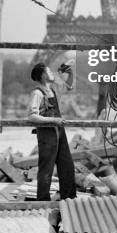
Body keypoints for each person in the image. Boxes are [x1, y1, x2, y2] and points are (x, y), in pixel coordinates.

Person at [27, 62, 76, 201]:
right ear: (43, 75)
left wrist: (70, 73)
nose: (52, 73)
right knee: (46, 169)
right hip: (47, 134)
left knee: (67, 166)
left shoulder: (52, 90)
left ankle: (69, 197)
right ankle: (43, 201)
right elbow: (31, 116)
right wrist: (53, 120)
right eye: (49, 71)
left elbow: (68, 86)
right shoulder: (37, 93)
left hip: (59, 132)